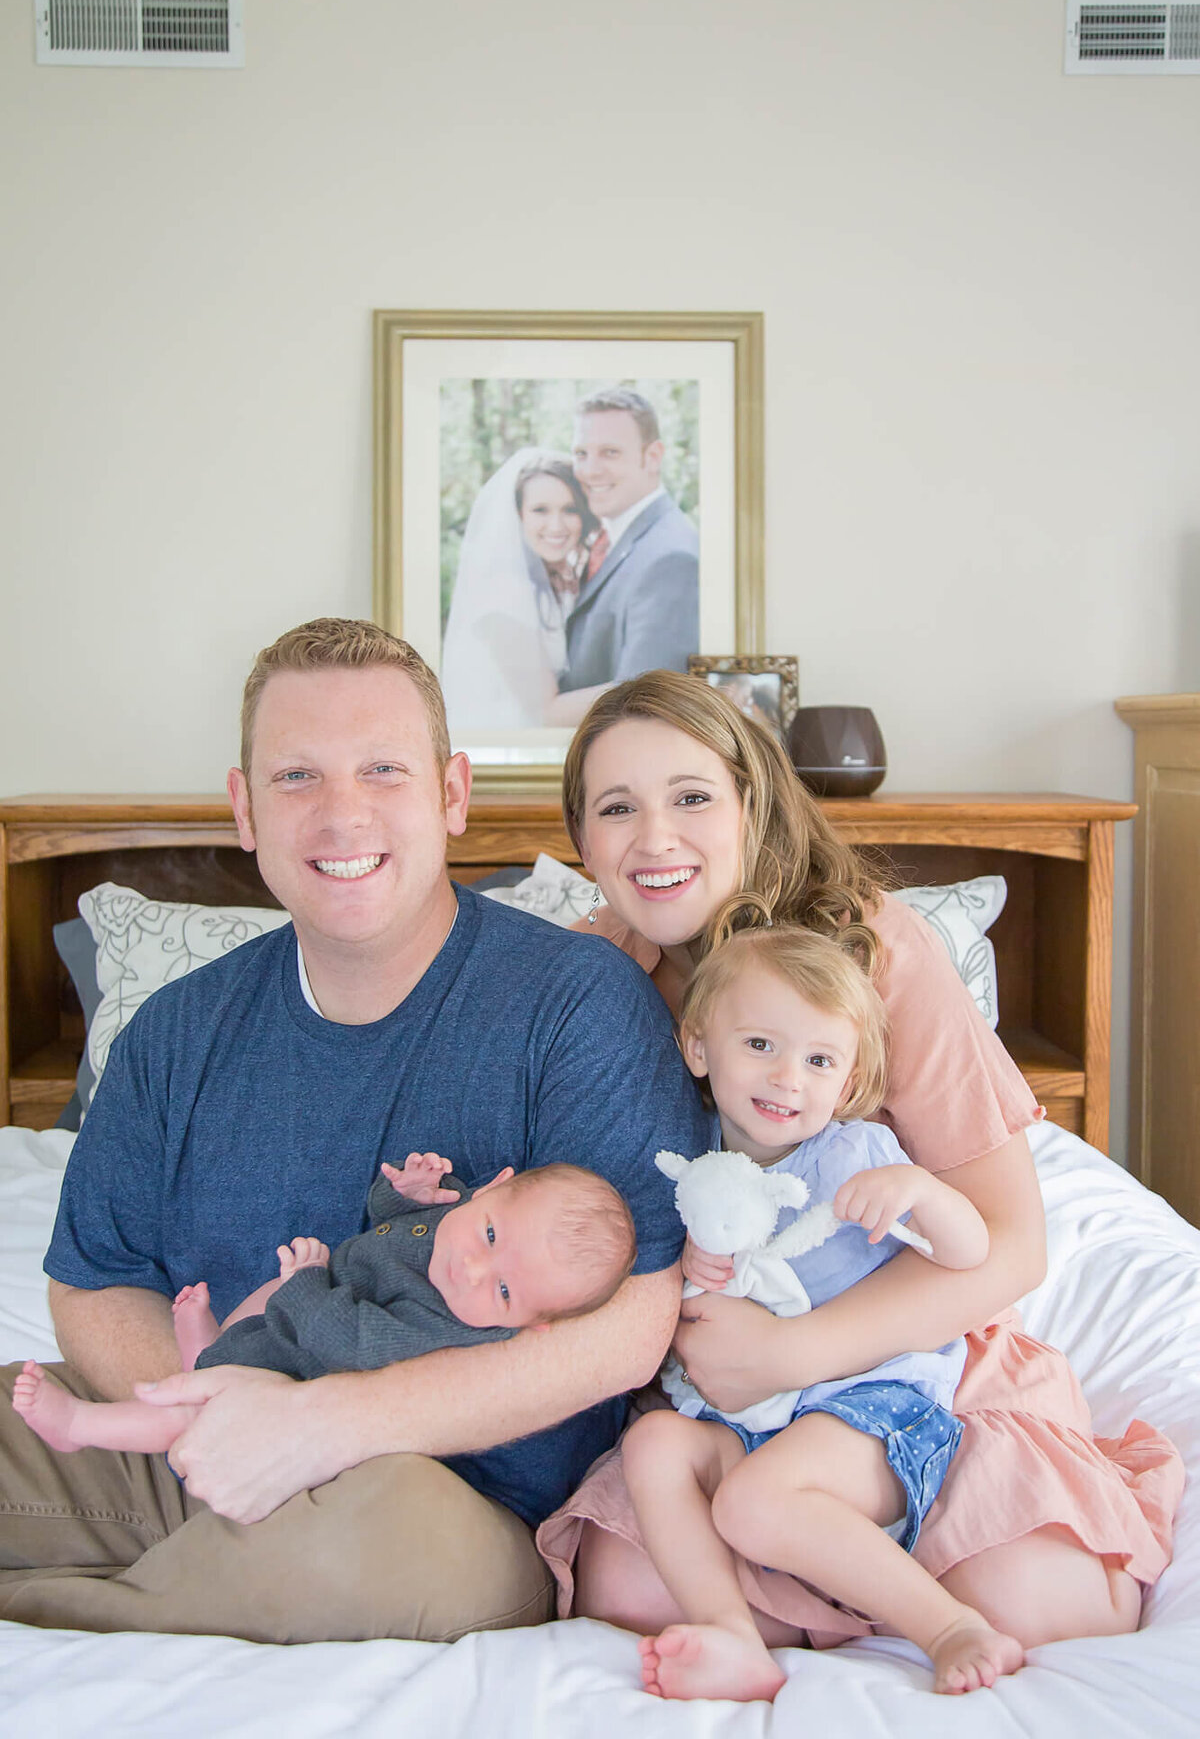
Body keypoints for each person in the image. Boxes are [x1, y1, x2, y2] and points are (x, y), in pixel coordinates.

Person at [0, 619, 714, 1643]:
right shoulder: (175, 1032)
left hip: (443, 1497)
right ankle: (179, 1579)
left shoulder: (577, 1002)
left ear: (452, 794)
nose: (343, 815)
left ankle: (69, 1620)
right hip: (188, 1433)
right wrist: (223, 1411)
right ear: (243, 808)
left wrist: (315, 1426)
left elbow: (630, 1325)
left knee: (353, 1549)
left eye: (384, 770)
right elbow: (95, 1277)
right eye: (297, 777)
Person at [537, 669, 1182, 1662]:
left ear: (752, 804)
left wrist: (794, 1355)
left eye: (694, 797)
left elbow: (1011, 1244)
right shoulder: (591, 975)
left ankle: (885, 1581)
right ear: (582, 841)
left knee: (1048, 1600)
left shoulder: (873, 949)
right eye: (617, 808)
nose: (656, 838)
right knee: (623, 1589)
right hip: (720, 1390)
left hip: (897, 1360)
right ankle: (797, 1589)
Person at [626, 924, 1024, 1701]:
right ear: (699, 1047)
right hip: (754, 1417)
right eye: (761, 1045)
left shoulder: (854, 1156)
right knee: (653, 1447)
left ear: (845, 1085)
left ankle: (949, 1626)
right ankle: (732, 1634)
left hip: (869, 1405)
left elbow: (972, 1253)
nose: (788, 1079)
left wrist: (926, 1197)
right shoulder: (692, 1163)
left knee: (753, 1503)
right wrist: (688, 1273)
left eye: (818, 1061)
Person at [14, 1153, 636, 1456]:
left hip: (294, 1368)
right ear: (495, 1187)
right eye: (490, 1236)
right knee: (251, 1310)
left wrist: (307, 1282)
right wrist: (406, 1193)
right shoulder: (462, 1215)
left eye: (503, 1292)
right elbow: (391, 1224)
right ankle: (203, 1349)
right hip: (295, 1314)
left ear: (534, 1324)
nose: (472, 1270)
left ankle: (80, 1428)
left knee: (196, 1414)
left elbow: (353, 1343)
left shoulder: (444, 1328)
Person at [441, 449, 609, 730]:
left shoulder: (550, 586)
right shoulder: (504, 594)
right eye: (540, 510)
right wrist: (645, 683)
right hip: (510, 757)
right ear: (519, 516)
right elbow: (546, 713)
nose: (556, 525)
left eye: (570, 510)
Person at [559, 389, 700, 694]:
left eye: (610, 452)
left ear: (652, 457)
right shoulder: (604, 538)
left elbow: (645, 699)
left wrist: (543, 712)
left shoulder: (671, 558)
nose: (590, 470)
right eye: (581, 454)